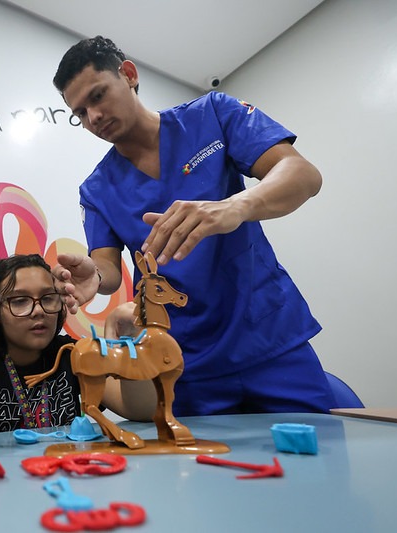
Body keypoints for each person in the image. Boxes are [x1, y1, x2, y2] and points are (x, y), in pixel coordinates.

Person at [50, 36, 335, 416]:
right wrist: (95, 277)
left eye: (98, 96)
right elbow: (106, 271)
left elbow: (303, 175)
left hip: (268, 340)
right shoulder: (97, 189)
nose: (94, 117)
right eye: (80, 113)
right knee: (200, 472)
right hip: (183, 363)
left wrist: (235, 206)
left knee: (317, 461)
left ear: (129, 75)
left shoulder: (212, 115)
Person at [0, 254, 155, 438]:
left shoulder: (72, 353)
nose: (38, 310)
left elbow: (142, 409)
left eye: (48, 298)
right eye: (20, 301)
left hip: (65, 476)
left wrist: (132, 337)